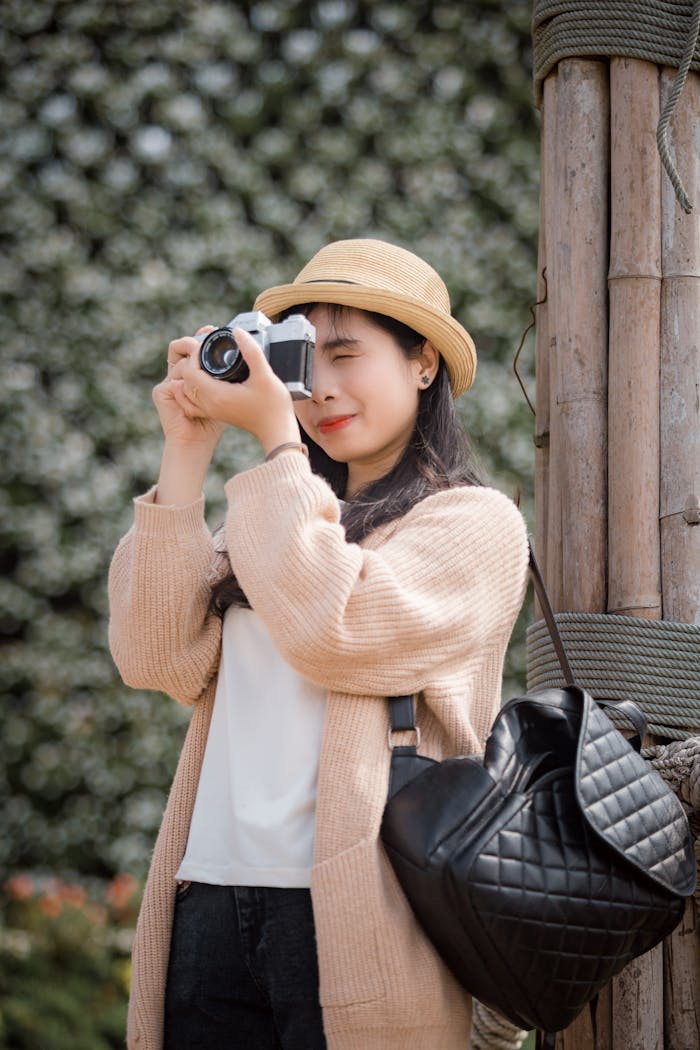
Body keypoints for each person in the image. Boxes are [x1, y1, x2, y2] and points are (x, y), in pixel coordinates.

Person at [108, 238, 529, 1050]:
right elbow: (157, 658)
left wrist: (277, 446)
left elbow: (337, 630)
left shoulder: (472, 523)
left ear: (423, 364)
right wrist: (188, 450)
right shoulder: (276, 518)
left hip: (359, 912)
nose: (320, 389)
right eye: (305, 361)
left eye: (346, 353)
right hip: (209, 900)